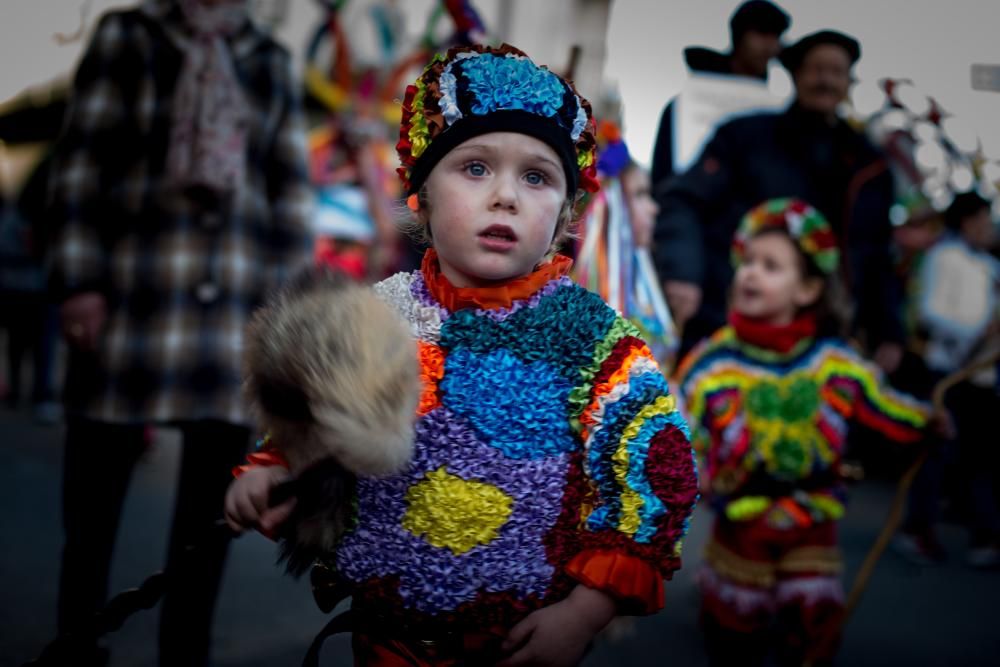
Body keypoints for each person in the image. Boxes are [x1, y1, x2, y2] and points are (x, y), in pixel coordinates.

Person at [225, 43, 699, 666]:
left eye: (537, 177)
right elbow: (313, 423)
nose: (505, 196)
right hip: (381, 637)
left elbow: (656, 481)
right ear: (419, 192)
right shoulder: (374, 315)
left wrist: (584, 613)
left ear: (563, 216)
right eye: (475, 168)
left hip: (518, 645)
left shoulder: (597, 344)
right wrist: (269, 469)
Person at [45, 0, 312, 664]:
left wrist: (290, 317)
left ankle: (183, 651)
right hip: (128, 299)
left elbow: (290, 196)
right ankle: (76, 645)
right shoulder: (129, 37)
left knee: (209, 516)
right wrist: (79, 280)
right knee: (91, 509)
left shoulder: (269, 59)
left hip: (235, 318)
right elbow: (80, 164)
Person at [674, 198, 933, 666]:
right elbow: (681, 430)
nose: (750, 273)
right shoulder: (712, 363)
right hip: (741, 524)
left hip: (814, 523)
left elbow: (887, 406)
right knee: (734, 630)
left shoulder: (835, 361)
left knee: (811, 629)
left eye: (771, 266)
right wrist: (689, 469)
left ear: (810, 287)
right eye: (748, 262)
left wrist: (928, 420)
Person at [655, 29, 905, 373]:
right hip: (727, 325)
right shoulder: (742, 137)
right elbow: (683, 199)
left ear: (850, 82)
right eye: (816, 69)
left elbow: (878, 255)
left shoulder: (870, 166)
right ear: (796, 75)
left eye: (836, 72)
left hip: (825, 339)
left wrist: (889, 332)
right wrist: (684, 273)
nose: (825, 81)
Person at [895, 190, 1000, 568]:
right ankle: (916, 529)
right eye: (981, 222)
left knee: (982, 457)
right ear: (965, 222)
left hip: (984, 375)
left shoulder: (989, 265)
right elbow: (930, 313)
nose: (986, 229)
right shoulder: (944, 256)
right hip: (949, 370)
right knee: (937, 453)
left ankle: (986, 536)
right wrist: (976, 331)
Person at [649, 0, 790, 190]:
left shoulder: (780, 110)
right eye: (762, 34)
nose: (770, 47)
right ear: (739, 37)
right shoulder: (684, 105)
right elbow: (663, 176)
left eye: (776, 38)